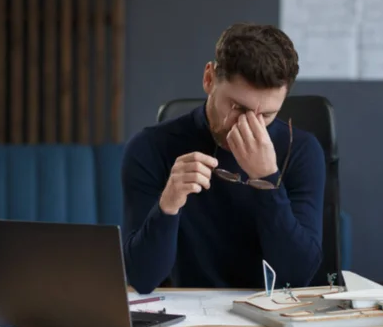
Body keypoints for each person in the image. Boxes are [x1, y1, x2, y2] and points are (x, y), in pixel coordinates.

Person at [121, 23, 326, 294]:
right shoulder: (150, 147)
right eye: (238, 107)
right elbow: (142, 279)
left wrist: (267, 180)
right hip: (188, 315)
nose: (249, 126)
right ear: (209, 79)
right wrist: (168, 205)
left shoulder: (302, 151)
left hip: (272, 315)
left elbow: (297, 277)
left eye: (266, 115)